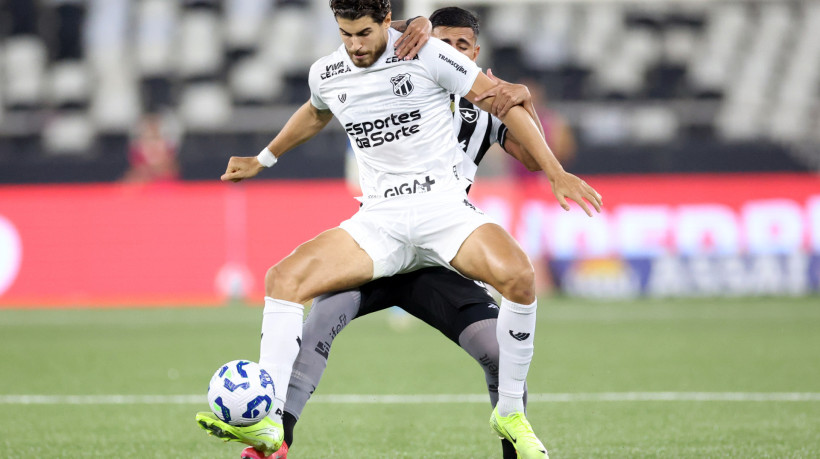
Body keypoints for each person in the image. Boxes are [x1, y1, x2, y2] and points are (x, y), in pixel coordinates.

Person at [196, 1, 602, 459]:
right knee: (286, 284)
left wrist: (554, 170)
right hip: (381, 227)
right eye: (344, 34)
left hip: (442, 224)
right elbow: (315, 111)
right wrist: (262, 158)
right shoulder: (333, 71)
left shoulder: (434, 60)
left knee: (515, 294)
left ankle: (511, 417)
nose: (354, 45)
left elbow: (505, 107)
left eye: (363, 33)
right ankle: (272, 427)